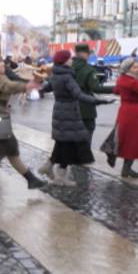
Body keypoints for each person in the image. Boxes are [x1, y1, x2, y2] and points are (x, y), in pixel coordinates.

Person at [0, 52, 46, 197]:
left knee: (11, 150)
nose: (3, 64)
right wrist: (27, 86)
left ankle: (31, 180)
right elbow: (9, 86)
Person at [37, 50, 109, 182]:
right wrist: (97, 101)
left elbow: (47, 88)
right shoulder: (67, 77)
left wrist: (37, 87)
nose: (71, 61)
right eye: (69, 59)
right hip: (69, 113)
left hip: (59, 112)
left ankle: (50, 167)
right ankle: (60, 176)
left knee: (63, 142)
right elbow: (79, 95)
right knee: (69, 144)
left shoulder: (56, 75)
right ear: (64, 61)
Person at [70, 43, 113, 145]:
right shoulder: (88, 69)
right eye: (88, 53)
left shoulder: (68, 67)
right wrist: (115, 89)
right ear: (85, 54)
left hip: (69, 107)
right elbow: (96, 88)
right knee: (87, 134)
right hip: (86, 108)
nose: (89, 56)